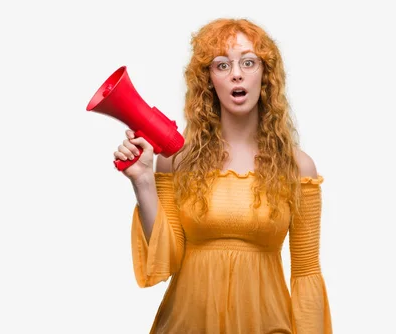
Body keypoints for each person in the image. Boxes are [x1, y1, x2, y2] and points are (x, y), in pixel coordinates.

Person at [114, 17, 332, 333]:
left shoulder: (298, 168)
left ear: (265, 75)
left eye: (248, 62)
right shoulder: (177, 159)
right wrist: (143, 180)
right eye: (222, 65)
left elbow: (306, 271)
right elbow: (165, 261)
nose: (237, 74)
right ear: (209, 81)